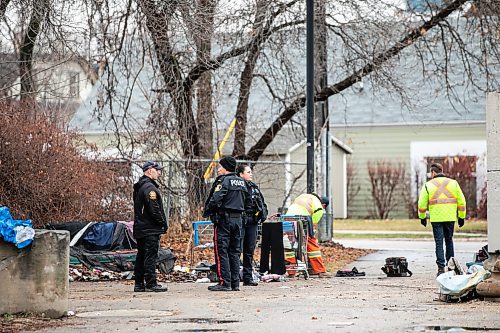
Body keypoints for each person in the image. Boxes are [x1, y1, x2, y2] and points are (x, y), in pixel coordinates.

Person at [203, 156, 249, 291]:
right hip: (238, 220)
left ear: (226, 167)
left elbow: (216, 199)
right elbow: (248, 202)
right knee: (234, 252)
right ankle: (235, 284)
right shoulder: (242, 182)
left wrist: (209, 211)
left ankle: (224, 283)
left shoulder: (224, 181)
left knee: (221, 251)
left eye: (220, 166)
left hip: (224, 220)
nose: (218, 169)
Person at [418, 162, 466, 276]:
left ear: (433, 172)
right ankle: (451, 268)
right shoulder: (453, 183)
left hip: (436, 219)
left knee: (439, 243)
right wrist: (461, 217)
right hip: (450, 218)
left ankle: (440, 269)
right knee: (449, 241)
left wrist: (422, 217)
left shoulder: (428, 185)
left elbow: (421, 204)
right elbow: (462, 201)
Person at [132, 160, 169, 292]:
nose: (159, 173)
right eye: (157, 170)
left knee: (141, 255)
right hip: (149, 228)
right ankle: (151, 283)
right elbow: (154, 209)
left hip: (141, 227)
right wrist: (162, 223)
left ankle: (139, 283)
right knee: (150, 256)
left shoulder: (140, 186)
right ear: (149, 170)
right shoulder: (149, 188)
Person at [284, 193, 331, 277]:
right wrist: (312, 232)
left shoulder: (304, 196)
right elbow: (314, 221)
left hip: (287, 220)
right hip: (301, 221)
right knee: (312, 246)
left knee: (291, 245)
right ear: (324, 205)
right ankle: (320, 270)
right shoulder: (319, 206)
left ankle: (291, 272)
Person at [236, 164, 268, 287]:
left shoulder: (254, 187)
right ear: (241, 174)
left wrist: (263, 214)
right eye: (248, 172)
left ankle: (248, 277)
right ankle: (235, 277)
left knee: (249, 250)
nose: (251, 174)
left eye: (250, 172)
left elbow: (261, 202)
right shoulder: (238, 187)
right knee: (237, 250)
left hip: (253, 222)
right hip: (241, 221)